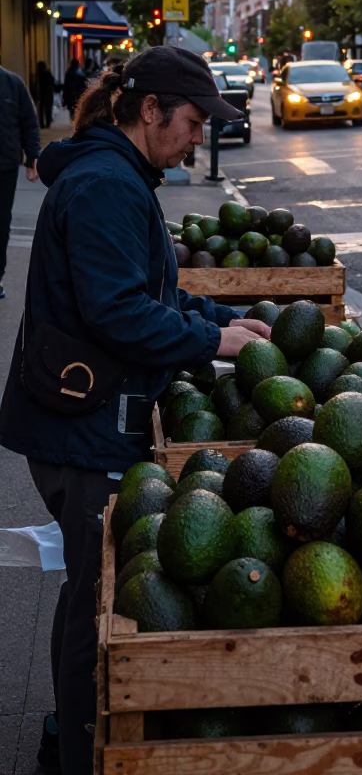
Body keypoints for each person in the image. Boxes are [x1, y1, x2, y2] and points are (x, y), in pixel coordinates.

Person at [0, 46, 273, 775]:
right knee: (100, 600)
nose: (197, 136)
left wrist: (225, 318)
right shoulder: (103, 186)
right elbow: (118, 312)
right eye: (190, 121)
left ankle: (70, 728)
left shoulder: (121, 176)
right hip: (79, 426)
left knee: (92, 587)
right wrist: (214, 338)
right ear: (148, 110)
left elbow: (147, 292)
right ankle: (78, 749)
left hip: (83, 417)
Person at [0, 56, 40, 299]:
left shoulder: (13, 84)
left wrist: (32, 157)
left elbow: (29, 122)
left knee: (1, 223)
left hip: (4, 166)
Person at [36, 61, 56, 129]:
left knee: (41, 110)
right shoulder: (47, 73)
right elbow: (52, 81)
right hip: (48, 93)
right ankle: (48, 123)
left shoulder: (38, 74)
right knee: (48, 109)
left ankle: (42, 124)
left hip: (41, 94)